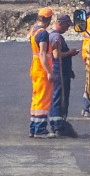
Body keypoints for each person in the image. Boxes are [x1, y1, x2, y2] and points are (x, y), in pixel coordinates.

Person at [26, 11, 63, 139]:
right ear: (48, 19)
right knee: (43, 99)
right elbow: (42, 54)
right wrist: (49, 72)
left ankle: (33, 127)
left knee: (36, 99)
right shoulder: (42, 33)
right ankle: (40, 130)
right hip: (42, 70)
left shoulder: (34, 30)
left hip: (35, 68)